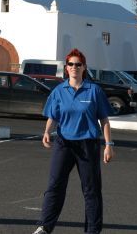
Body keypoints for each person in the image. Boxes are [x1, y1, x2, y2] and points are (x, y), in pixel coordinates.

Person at [33, 48, 114, 234]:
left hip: (88, 144)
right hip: (64, 143)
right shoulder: (59, 91)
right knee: (55, 185)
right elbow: (52, 116)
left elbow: (104, 120)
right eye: (71, 64)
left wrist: (109, 145)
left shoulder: (94, 91)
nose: (74, 67)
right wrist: (47, 132)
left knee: (91, 190)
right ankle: (44, 227)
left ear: (84, 67)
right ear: (66, 67)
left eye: (78, 64)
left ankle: (92, 231)